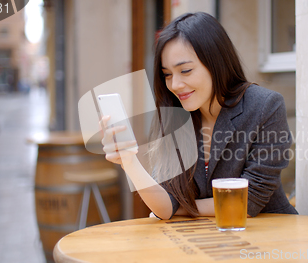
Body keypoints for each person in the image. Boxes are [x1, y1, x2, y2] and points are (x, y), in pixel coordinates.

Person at [101, 12, 297, 219]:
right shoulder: (177, 117)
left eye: (185, 71)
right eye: (167, 74)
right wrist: (129, 161)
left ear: (216, 62)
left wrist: (181, 209)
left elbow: (248, 202)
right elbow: (165, 205)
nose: (175, 85)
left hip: (269, 237)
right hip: (208, 240)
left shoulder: (265, 106)